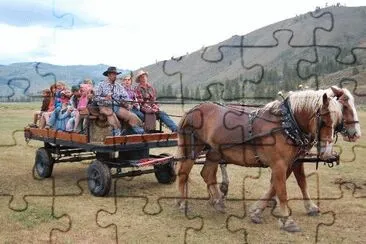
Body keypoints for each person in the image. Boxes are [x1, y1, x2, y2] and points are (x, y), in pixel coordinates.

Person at [94, 66, 144, 136]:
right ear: (108, 75)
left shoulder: (118, 86)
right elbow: (95, 98)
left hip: (116, 106)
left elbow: (125, 96)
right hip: (105, 106)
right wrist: (105, 98)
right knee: (112, 116)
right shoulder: (101, 85)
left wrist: (130, 102)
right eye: (113, 74)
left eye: (116, 74)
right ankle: (117, 133)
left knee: (132, 116)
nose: (115, 76)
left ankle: (140, 132)